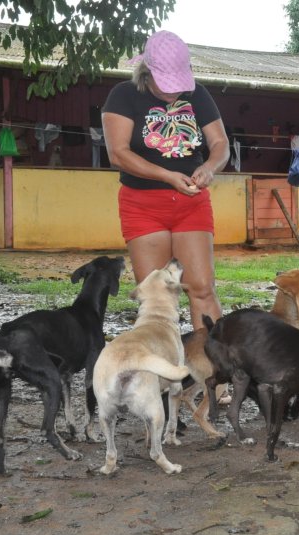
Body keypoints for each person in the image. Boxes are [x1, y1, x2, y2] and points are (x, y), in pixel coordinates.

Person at [103, 30, 229, 328]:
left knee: (202, 288)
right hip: (143, 206)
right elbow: (117, 154)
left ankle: (212, 366)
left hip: (191, 204)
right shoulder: (123, 95)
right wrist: (167, 175)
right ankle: (161, 370)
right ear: (147, 72)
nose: (175, 91)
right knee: (157, 296)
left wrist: (210, 167)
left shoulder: (197, 94)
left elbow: (221, 144)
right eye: (167, 83)